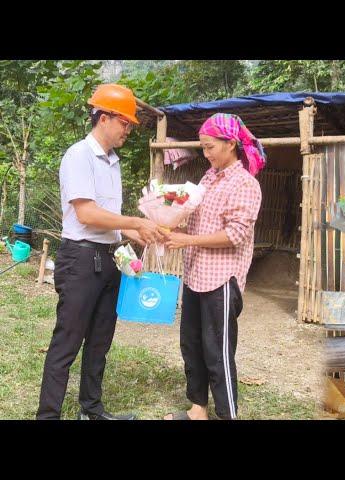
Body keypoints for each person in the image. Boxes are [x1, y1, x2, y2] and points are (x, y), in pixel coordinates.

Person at [37, 84, 166, 420]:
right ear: (105, 117)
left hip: (109, 258)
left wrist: (139, 230)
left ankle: (92, 410)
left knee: (99, 342)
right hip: (80, 260)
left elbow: (110, 220)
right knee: (67, 342)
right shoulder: (78, 155)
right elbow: (87, 214)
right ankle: (47, 414)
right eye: (125, 122)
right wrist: (134, 221)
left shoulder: (113, 162)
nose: (128, 130)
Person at [163, 113, 264, 420]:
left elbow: (234, 236)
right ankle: (197, 410)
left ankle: (227, 415)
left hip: (220, 281)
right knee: (191, 345)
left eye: (209, 147)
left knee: (217, 352)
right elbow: (195, 215)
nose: (205, 154)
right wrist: (169, 222)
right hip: (195, 275)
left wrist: (187, 241)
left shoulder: (245, 184)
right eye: (203, 147)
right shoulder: (209, 177)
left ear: (231, 143)